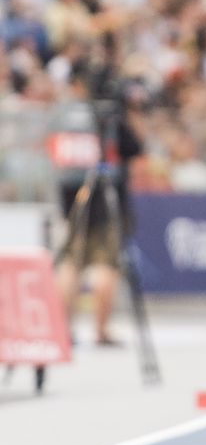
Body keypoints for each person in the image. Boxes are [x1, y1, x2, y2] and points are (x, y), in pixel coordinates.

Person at [53, 55, 144, 346]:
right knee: (106, 264)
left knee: (71, 262)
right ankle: (101, 330)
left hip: (72, 199)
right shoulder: (108, 115)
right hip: (107, 198)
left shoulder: (64, 113)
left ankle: (63, 329)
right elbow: (136, 147)